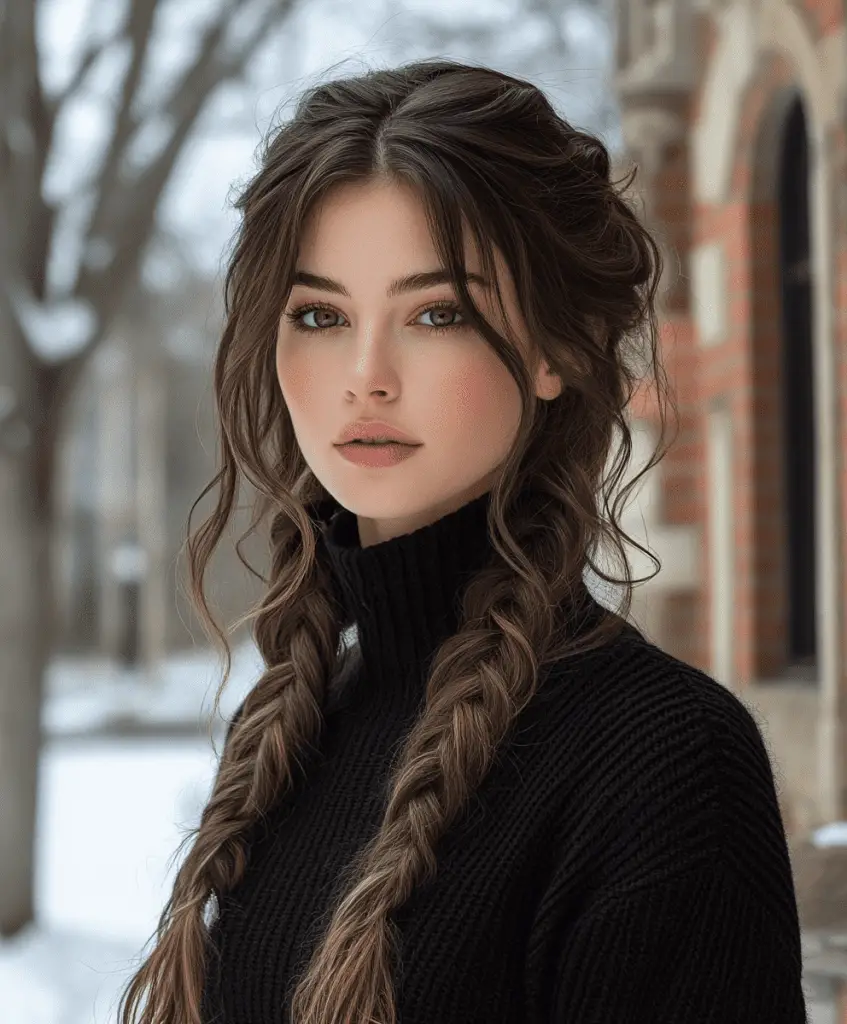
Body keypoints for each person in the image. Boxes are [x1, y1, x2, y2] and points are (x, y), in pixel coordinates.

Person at [116, 59, 808, 1024]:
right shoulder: (289, 732)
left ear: (555, 349)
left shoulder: (666, 762)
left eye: (435, 313)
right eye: (319, 316)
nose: (364, 376)